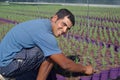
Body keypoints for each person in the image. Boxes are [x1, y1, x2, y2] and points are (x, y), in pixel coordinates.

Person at [0, 8, 94, 80]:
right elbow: (65, 64)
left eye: (68, 28)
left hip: (5, 61)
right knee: (49, 55)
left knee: (48, 52)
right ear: (54, 18)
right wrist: (85, 69)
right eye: (64, 24)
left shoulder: (42, 24)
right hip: (6, 67)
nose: (65, 30)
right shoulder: (45, 35)